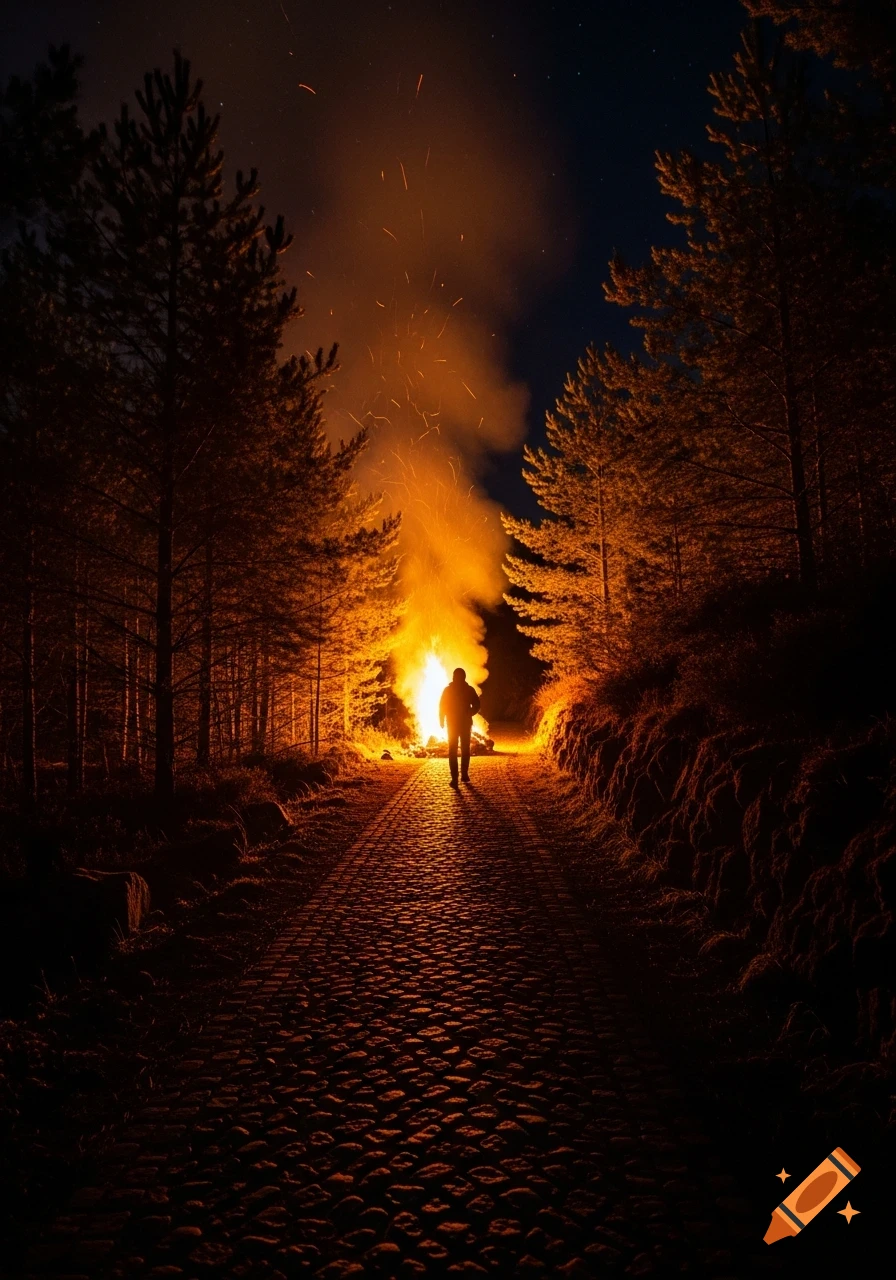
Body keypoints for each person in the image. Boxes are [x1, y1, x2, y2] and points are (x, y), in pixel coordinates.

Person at [439, 667, 481, 788]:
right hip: (456, 723)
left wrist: (470, 712)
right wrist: (441, 719)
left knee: (461, 749)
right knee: (459, 749)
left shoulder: (467, 690)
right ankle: (458, 777)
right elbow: (442, 705)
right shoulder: (451, 690)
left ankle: (460, 776)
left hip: (460, 723)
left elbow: (477, 704)